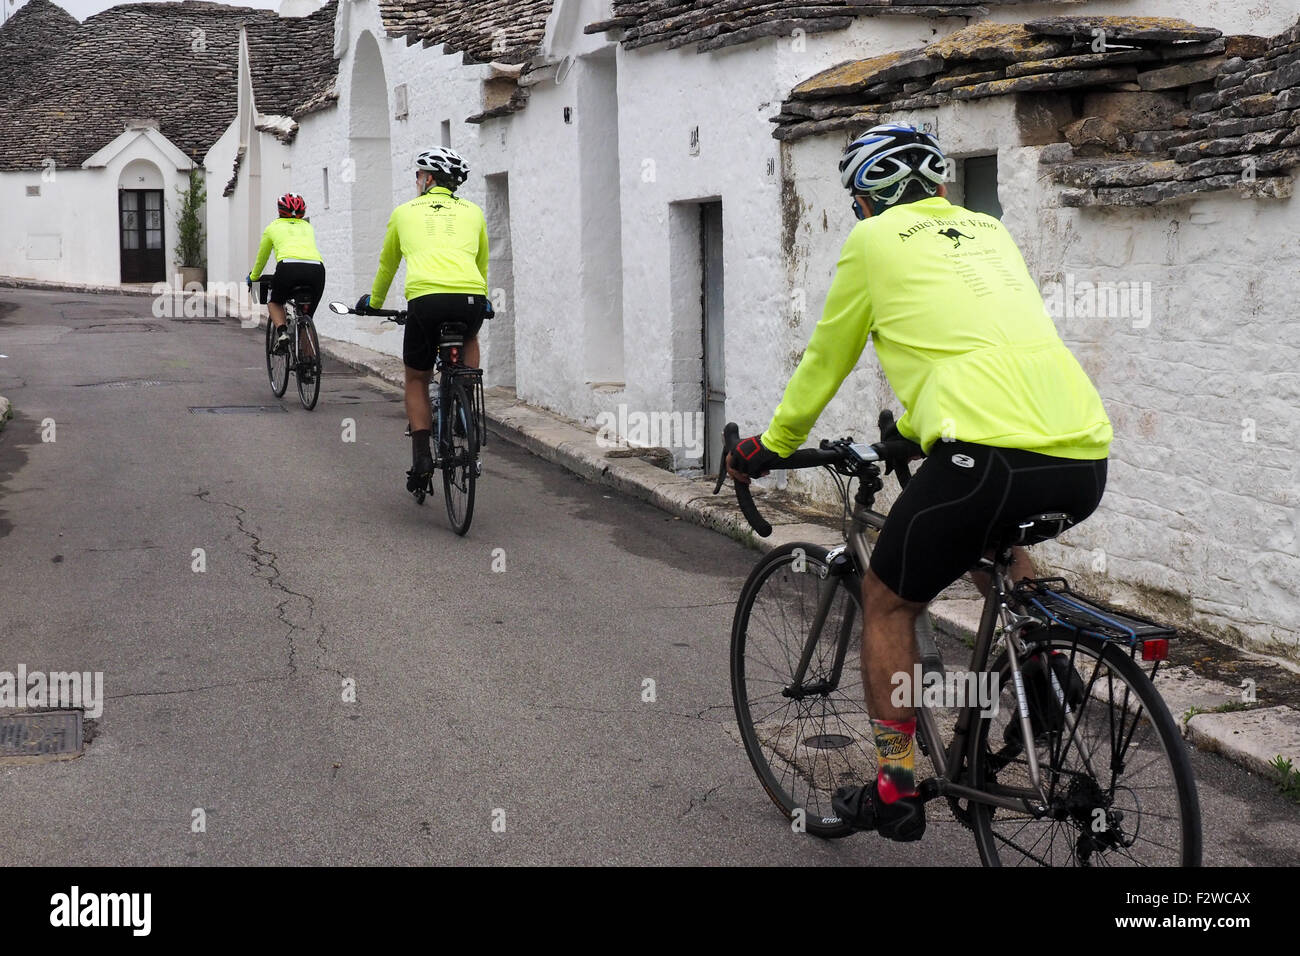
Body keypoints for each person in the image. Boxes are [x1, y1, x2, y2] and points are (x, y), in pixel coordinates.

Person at [727, 124, 1112, 842]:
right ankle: (1043, 667)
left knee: (889, 600)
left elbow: (825, 360)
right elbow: (977, 339)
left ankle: (897, 784)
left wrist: (769, 445)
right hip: (1084, 453)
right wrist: (917, 426)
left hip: (986, 458)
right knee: (991, 542)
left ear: (864, 201)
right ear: (939, 188)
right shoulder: (990, 232)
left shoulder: (871, 244)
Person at [354, 147, 489, 491]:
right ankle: (465, 400)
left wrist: (374, 301)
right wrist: (483, 299)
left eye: (418, 176)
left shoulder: (404, 212)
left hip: (426, 301)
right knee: (470, 337)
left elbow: (388, 264)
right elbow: (480, 262)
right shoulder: (473, 212)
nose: (416, 181)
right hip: (469, 297)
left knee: (416, 378)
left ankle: (421, 459)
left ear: (427, 179)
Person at [247, 193, 326, 356]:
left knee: (274, 301)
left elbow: (261, 259)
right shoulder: (307, 226)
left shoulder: (272, 227)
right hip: (317, 270)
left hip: (288, 268)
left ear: (280, 210)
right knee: (306, 317)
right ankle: (309, 366)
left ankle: (282, 333)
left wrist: (253, 278)